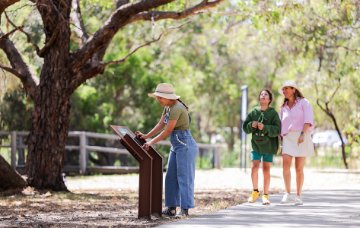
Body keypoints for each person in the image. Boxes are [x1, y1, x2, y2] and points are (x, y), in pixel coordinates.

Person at [136, 83, 198, 217]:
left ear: (167, 97)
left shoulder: (177, 108)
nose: (158, 100)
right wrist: (146, 136)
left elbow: (167, 131)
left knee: (184, 177)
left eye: (159, 98)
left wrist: (151, 142)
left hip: (185, 144)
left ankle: (185, 209)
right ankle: (171, 208)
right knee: (170, 177)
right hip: (176, 144)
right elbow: (161, 124)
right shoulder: (168, 107)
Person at [279, 80, 314, 205]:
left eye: (287, 88)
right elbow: (281, 124)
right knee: (285, 166)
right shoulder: (283, 107)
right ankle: (287, 193)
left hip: (301, 135)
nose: (284, 91)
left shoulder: (304, 103)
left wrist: (303, 134)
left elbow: (308, 119)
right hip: (288, 138)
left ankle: (298, 196)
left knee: (299, 168)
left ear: (293, 89)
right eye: (283, 89)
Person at [243, 89, 281, 205]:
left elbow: (277, 129)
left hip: (269, 146)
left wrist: (265, 128)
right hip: (256, 145)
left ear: (269, 99)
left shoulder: (273, 114)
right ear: (259, 98)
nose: (263, 96)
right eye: (261, 94)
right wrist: (251, 125)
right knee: (254, 167)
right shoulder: (253, 112)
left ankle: (265, 195)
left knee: (266, 169)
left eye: (266, 95)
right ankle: (255, 192)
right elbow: (245, 127)